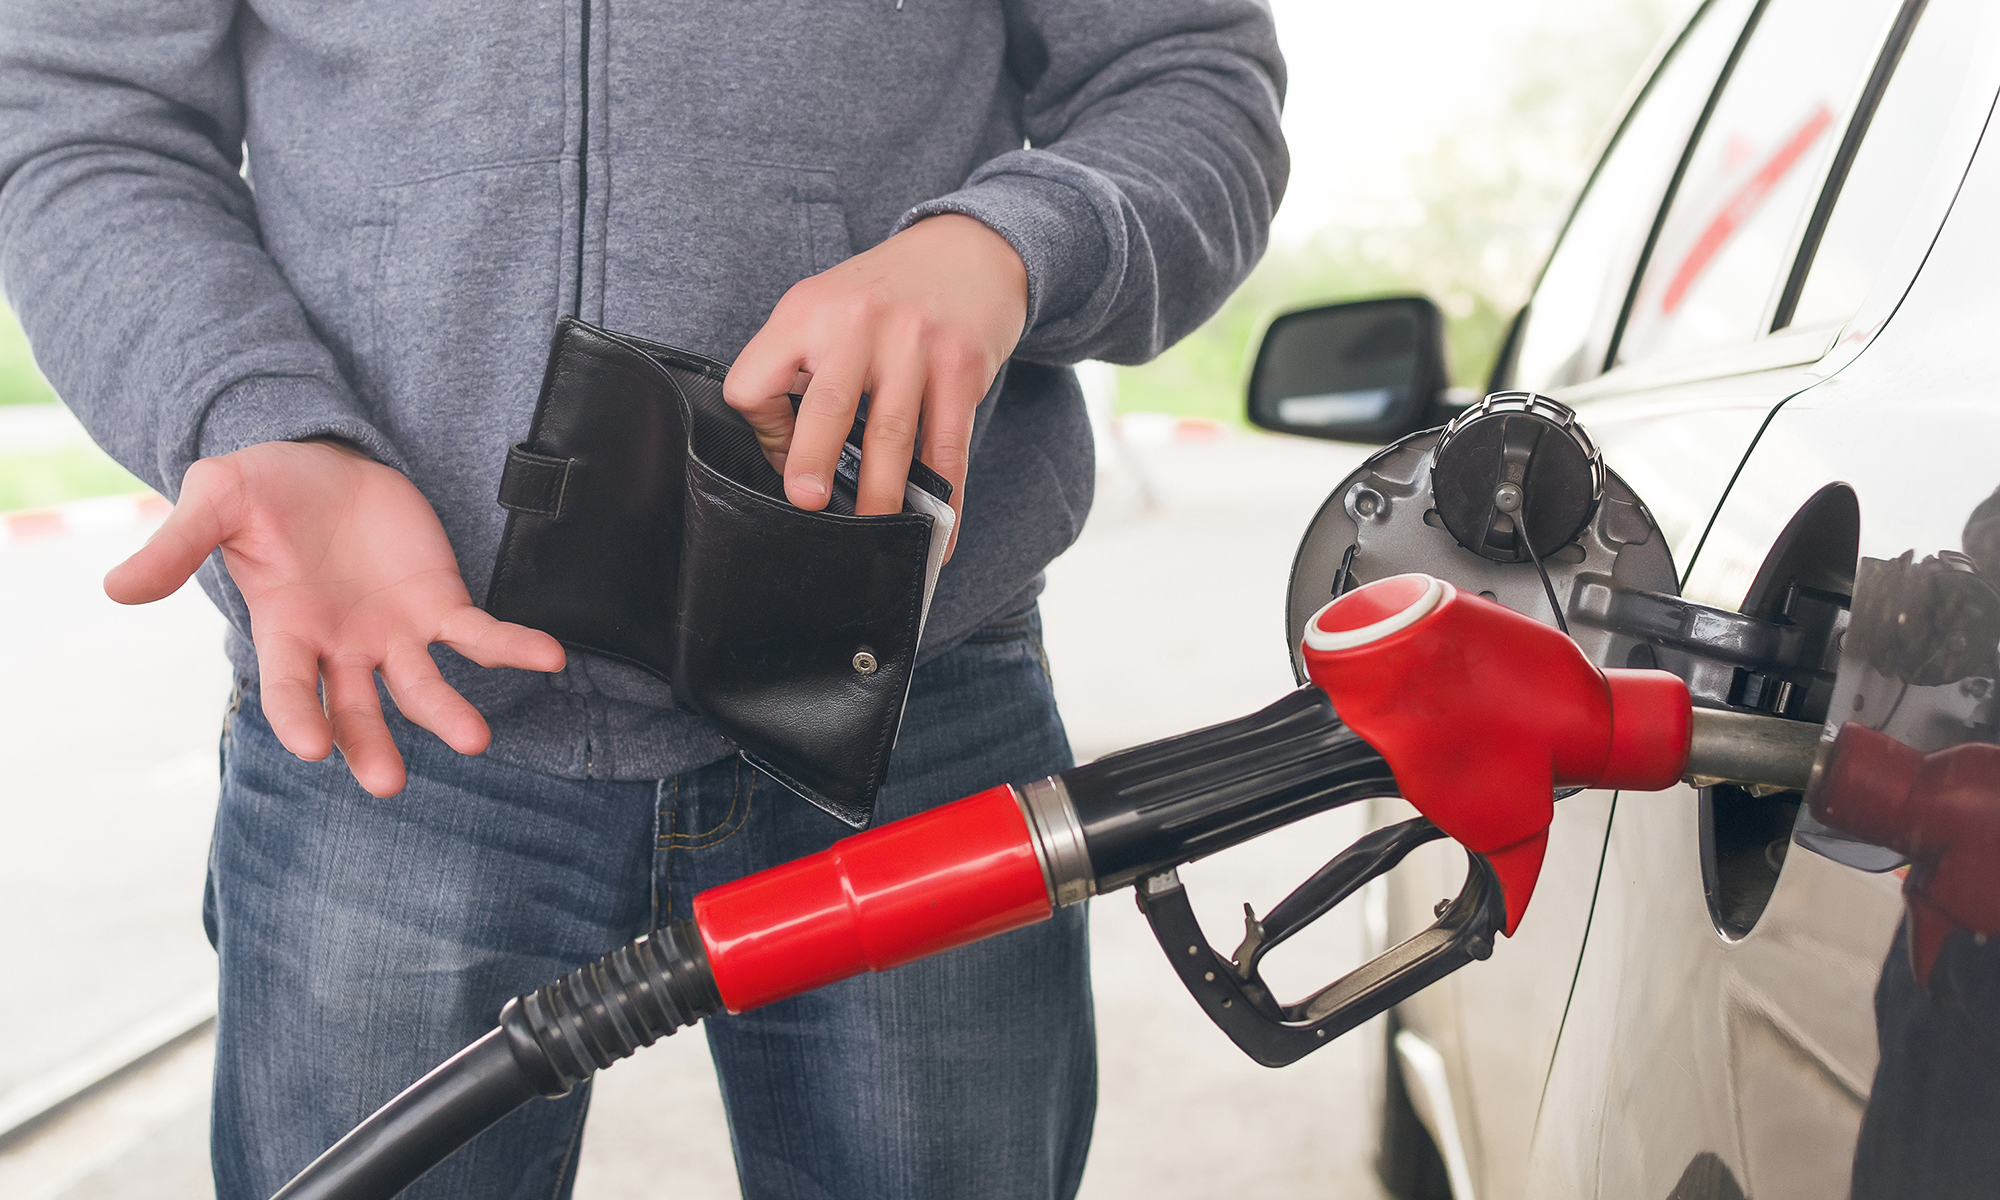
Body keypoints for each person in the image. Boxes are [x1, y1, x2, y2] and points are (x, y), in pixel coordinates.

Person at [0, 4, 1287, 1197]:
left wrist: (1006, 243)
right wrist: (253, 411)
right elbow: (79, 121)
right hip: (391, 692)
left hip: (905, 692)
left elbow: (1183, 77)